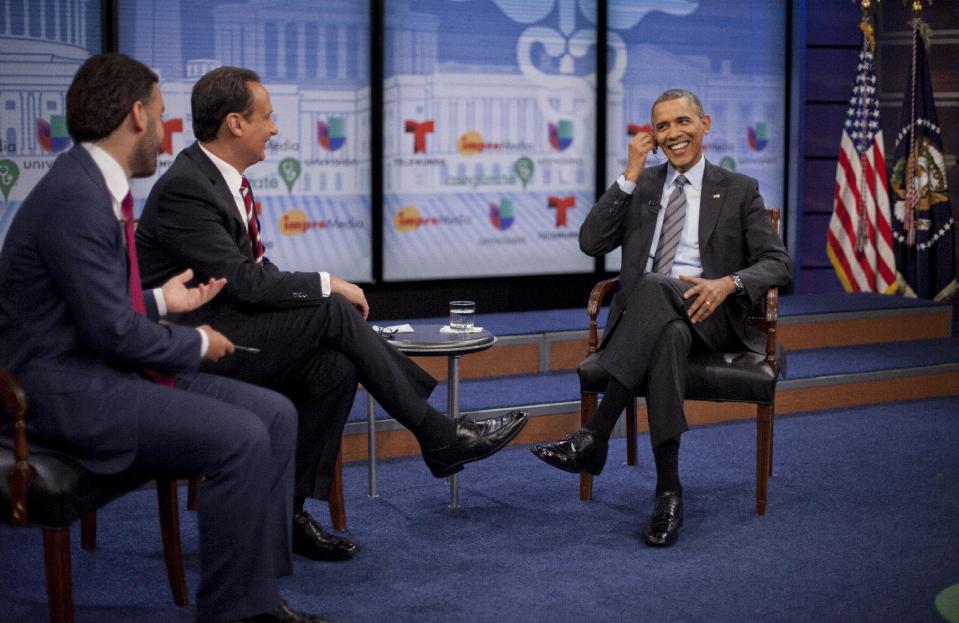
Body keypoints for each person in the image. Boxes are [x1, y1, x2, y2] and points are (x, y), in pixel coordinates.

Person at [135, 66, 528, 560]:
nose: (275, 129)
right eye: (268, 117)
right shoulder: (187, 188)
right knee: (333, 312)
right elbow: (245, 283)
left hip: (235, 328)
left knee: (335, 367)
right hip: (196, 347)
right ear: (235, 123)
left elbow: (253, 269)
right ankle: (436, 432)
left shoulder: (218, 179)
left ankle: (290, 512)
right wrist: (329, 284)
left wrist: (320, 288)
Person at [0, 54, 329, 623]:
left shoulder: (90, 184)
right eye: (159, 114)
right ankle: (235, 612)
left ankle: (258, 593)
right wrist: (198, 342)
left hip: (95, 367)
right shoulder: (77, 197)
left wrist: (158, 302)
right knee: (242, 437)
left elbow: (89, 307)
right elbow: (110, 333)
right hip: (64, 393)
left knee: (276, 416)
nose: (165, 129)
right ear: (134, 115)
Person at [531, 89, 793, 547]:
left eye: (683, 122)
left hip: (713, 319)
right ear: (652, 136)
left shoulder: (739, 189)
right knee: (667, 331)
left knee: (655, 286)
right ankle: (669, 491)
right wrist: (630, 174)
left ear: (704, 124)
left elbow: (778, 264)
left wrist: (727, 283)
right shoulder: (644, 185)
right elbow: (590, 243)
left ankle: (595, 435)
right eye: (662, 126)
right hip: (652, 323)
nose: (673, 134)